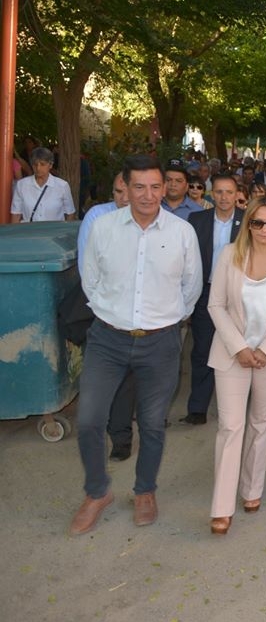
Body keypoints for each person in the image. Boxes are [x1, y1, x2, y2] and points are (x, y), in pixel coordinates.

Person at [69, 155, 202, 536]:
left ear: (165, 188)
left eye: (155, 187)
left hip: (160, 343)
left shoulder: (182, 233)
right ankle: (97, 492)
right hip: (107, 339)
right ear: (125, 188)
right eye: (139, 187)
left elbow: (191, 287)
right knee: (89, 419)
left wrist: (165, 320)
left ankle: (145, 490)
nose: (147, 195)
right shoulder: (103, 227)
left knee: (153, 423)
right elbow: (90, 280)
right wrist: (115, 315)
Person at [207, 197, 266, 534]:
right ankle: (221, 507)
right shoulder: (228, 255)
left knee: (261, 423)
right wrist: (239, 347)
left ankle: (251, 489)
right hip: (231, 353)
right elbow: (216, 305)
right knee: (230, 426)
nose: (265, 229)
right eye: (258, 222)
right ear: (248, 223)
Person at [77, 173, 137, 462]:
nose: (123, 198)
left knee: (126, 379)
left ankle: (121, 437)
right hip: (101, 311)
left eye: (128, 191)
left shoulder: (151, 221)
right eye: (117, 192)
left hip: (136, 314)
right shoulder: (96, 217)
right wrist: (102, 307)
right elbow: (86, 267)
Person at [179, 174, 245, 426]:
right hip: (206, 294)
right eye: (219, 192)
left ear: (236, 194)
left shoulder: (248, 220)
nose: (224, 197)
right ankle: (198, 408)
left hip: (238, 296)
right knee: (202, 350)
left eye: (229, 192)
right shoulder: (197, 220)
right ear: (211, 194)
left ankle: (236, 409)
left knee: (238, 349)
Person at [10, 146, 75, 223]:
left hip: (54, 230)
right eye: (35, 164)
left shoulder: (62, 186)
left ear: (50, 165)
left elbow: (70, 213)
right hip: (29, 229)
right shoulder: (21, 185)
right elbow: (16, 214)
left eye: (42, 164)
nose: (38, 168)